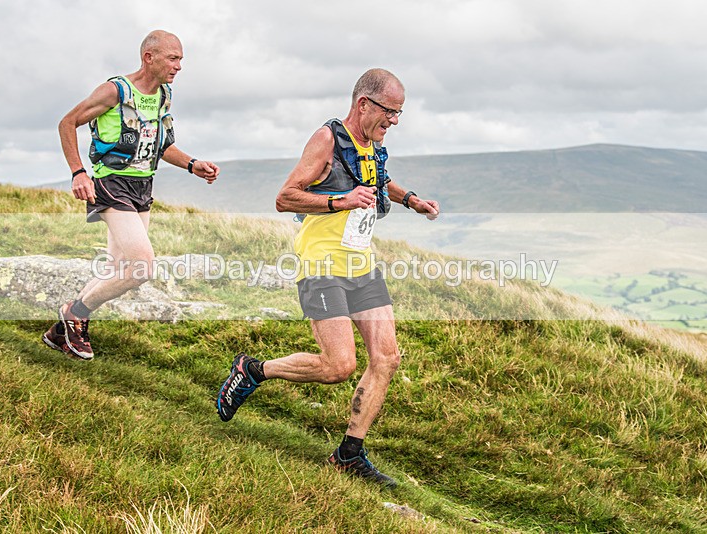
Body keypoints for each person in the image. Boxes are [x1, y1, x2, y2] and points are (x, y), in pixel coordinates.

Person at [216, 68, 439, 487]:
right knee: (338, 365)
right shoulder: (327, 139)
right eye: (389, 112)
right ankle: (253, 369)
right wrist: (341, 201)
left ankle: (349, 455)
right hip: (321, 266)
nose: (393, 121)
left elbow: (378, 181)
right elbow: (285, 197)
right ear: (364, 104)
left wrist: (411, 200)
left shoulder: (372, 145)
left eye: (399, 114)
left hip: (361, 265)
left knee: (387, 358)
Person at [42, 30, 219, 360]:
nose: (179, 66)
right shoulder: (115, 90)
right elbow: (67, 123)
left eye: (181, 59)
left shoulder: (164, 95)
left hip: (143, 188)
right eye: (173, 58)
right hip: (112, 184)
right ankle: (75, 313)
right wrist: (78, 172)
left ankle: (60, 333)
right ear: (149, 58)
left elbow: (162, 146)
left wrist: (192, 164)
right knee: (142, 267)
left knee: (116, 269)